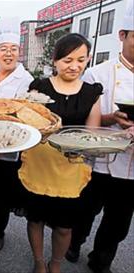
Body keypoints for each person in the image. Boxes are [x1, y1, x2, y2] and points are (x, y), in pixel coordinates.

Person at [18, 33, 102, 273]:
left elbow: (92, 132)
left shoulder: (91, 93)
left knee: (64, 226)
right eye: (67, 60)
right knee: (36, 219)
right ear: (54, 60)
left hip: (71, 166)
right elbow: (28, 123)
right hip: (38, 163)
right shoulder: (38, 88)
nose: (74, 66)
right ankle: (38, 262)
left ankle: (55, 264)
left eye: (81, 60)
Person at [66, 2, 134, 272]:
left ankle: (101, 261)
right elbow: (82, 120)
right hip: (100, 161)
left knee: (118, 223)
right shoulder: (97, 73)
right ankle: (73, 244)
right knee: (84, 212)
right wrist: (110, 119)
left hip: (131, 168)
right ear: (122, 35)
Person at [0, 17, 34, 252]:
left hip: (9, 150)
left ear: (19, 52)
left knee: (3, 196)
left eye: (13, 49)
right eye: (4, 49)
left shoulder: (28, 80)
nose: (9, 54)